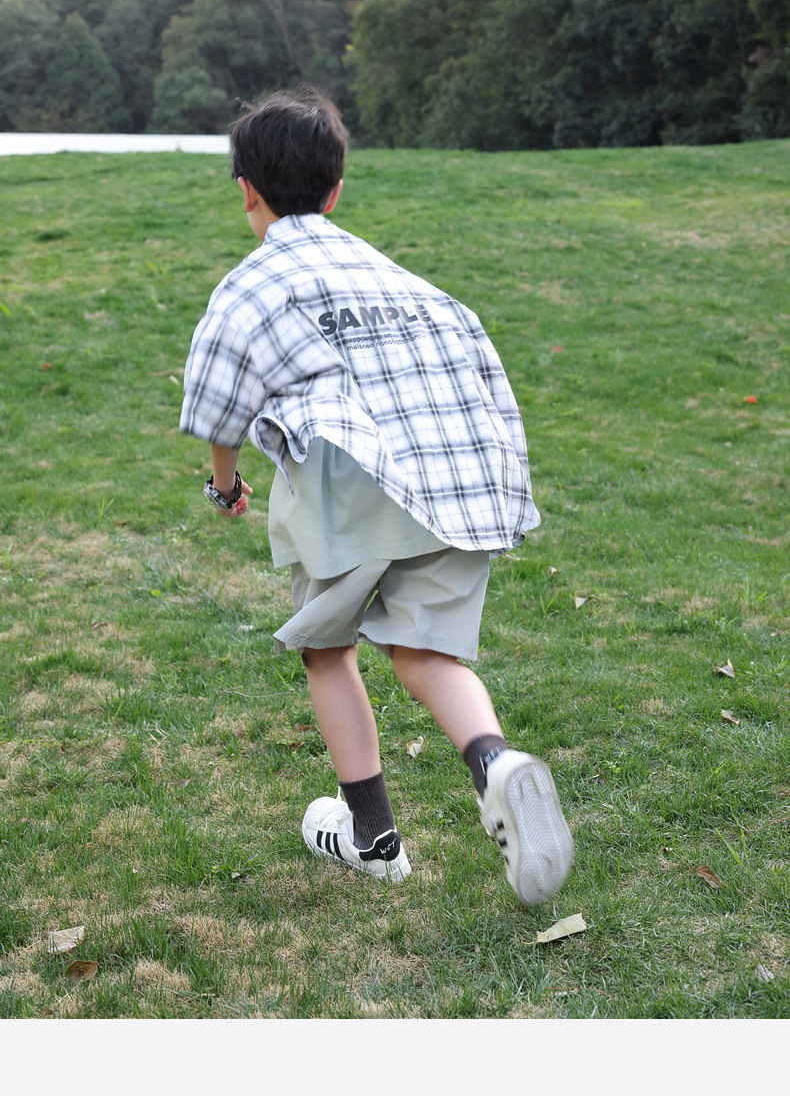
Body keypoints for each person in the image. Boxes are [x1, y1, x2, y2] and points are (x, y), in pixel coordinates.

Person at [180, 87, 573, 906]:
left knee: (330, 649)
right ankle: (497, 762)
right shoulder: (402, 279)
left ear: (246, 190)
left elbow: (217, 406)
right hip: (445, 478)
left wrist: (226, 488)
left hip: (344, 482)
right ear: (335, 189)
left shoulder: (252, 284)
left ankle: (374, 836)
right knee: (427, 654)